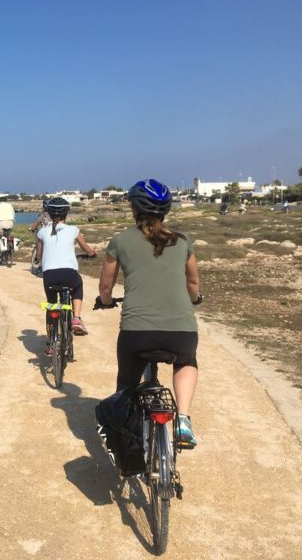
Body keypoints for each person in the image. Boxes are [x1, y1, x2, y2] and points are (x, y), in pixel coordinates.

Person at [97, 179, 201, 448]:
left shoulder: (120, 240)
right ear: (165, 210)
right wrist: (195, 299)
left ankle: (128, 437)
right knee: (187, 361)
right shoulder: (183, 241)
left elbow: (106, 285)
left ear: (134, 209)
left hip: (137, 333)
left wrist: (105, 301)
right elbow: (192, 283)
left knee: (126, 383)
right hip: (181, 332)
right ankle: (184, 420)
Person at [36, 197, 97, 354]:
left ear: (48, 213)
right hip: (69, 274)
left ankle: (50, 343)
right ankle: (76, 318)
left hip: (49, 275)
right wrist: (91, 253)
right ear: (66, 213)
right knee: (77, 286)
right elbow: (88, 249)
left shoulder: (42, 231)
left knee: (51, 306)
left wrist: (40, 260)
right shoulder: (73, 230)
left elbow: (38, 256)